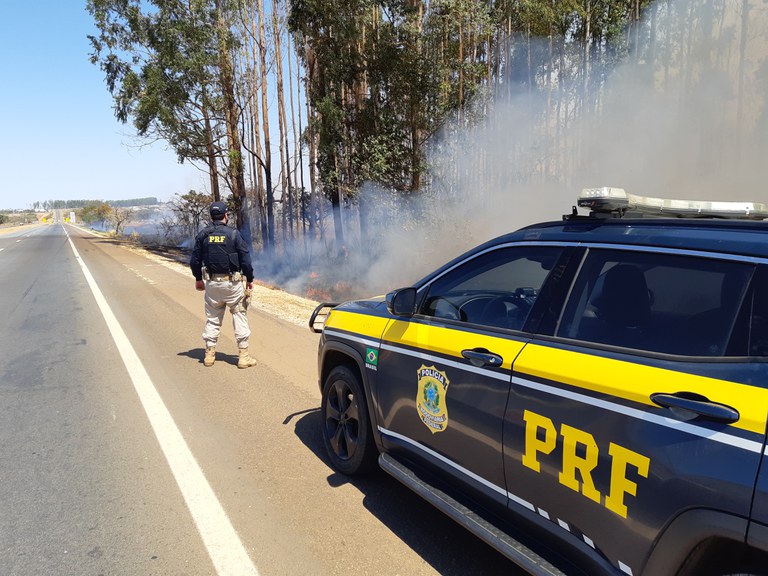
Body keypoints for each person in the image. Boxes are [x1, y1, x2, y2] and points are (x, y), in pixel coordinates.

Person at [189, 201, 257, 369]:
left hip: (212, 285)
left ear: (212, 217)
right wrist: (249, 279)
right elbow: (245, 260)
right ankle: (243, 357)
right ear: (226, 215)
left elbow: (195, 260)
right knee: (239, 316)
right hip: (232, 285)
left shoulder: (203, 235)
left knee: (212, 319)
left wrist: (198, 278)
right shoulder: (234, 234)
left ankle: (209, 355)